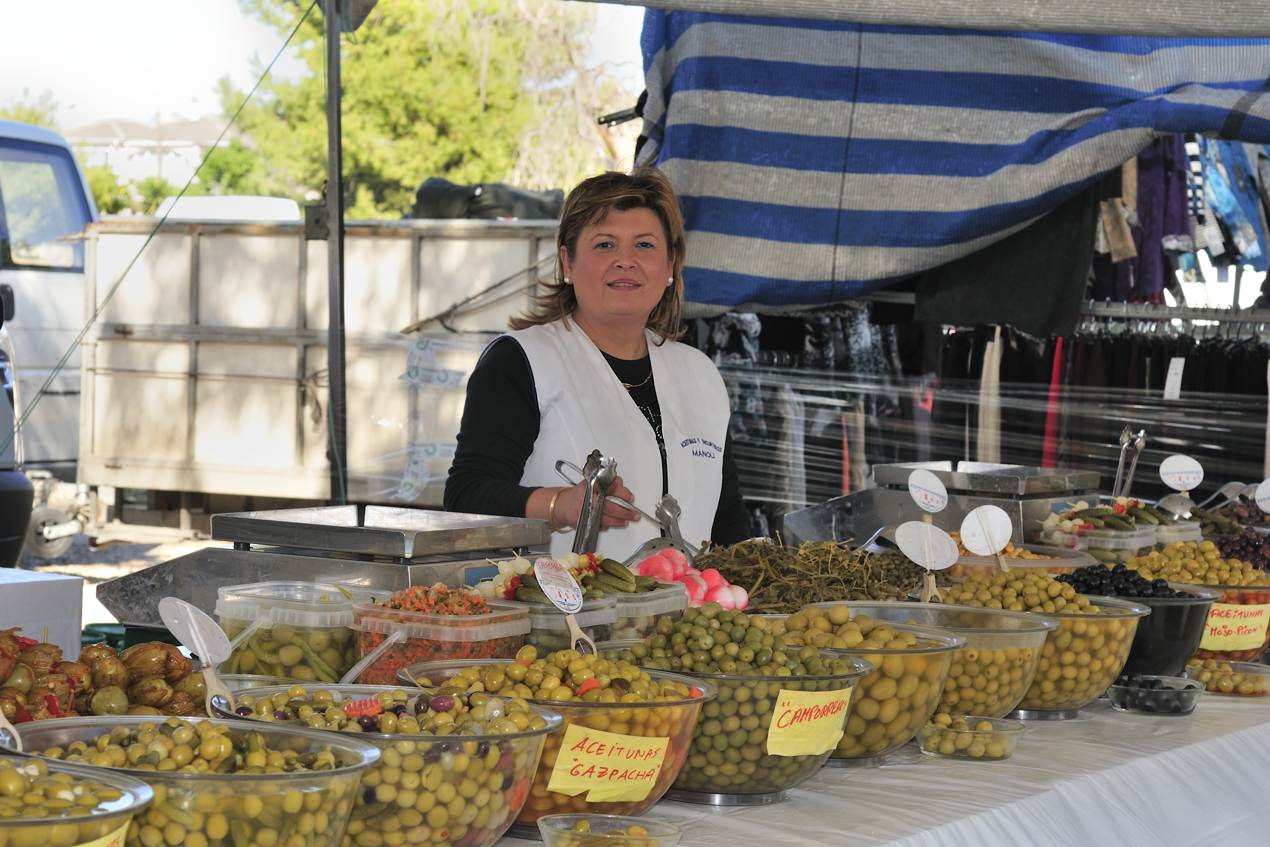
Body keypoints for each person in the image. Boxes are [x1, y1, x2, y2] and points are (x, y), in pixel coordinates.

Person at [444, 168, 748, 558]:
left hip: (693, 616)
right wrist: (560, 505)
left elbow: (727, 520)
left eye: (644, 246)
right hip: (565, 613)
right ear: (567, 263)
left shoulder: (700, 374)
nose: (625, 261)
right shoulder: (521, 361)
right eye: (605, 245)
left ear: (670, 265)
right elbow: (466, 496)